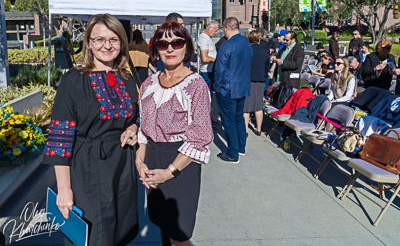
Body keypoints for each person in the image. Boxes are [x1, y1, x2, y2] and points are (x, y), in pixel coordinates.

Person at [42, 14, 139, 246]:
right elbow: (60, 138)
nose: (107, 45)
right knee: (93, 235)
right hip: (88, 168)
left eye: (114, 39)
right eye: (99, 39)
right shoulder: (73, 81)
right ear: (88, 43)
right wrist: (64, 190)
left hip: (122, 167)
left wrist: (134, 127)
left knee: (119, 231)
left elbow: (134, 115)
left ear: (122, 43)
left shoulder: (126, 77)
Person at [137, 21, 213, 246]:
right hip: (151, 156)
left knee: (180, 235)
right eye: (163, 44)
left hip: (180, 162)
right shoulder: (148, 83)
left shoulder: (196, 85)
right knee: (162, 224)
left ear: (186, 46)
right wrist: (139, 162)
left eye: (176, 42)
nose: (170, 48)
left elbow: (198, 138)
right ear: (156, 49)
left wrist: (169, 172)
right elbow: (143, 128)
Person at [213, 17, 252, 163]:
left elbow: (219, 68)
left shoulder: (227, 45)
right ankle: (241, 148)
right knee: (238, 119)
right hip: (241, 87)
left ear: (226, 28)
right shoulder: (247, 44)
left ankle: (232, 154)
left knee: (228, 122)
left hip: (227, 88)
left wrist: (216, 87)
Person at [243, 30, 270, 136]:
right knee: (258, 106)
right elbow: (267, 67)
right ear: (259, 39)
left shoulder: (246, 51)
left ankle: (245, 130)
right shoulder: (265, 52)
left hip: (247, 80)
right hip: (260, 80)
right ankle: (258, 129)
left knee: (246, 108)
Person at [197, 20, 219, 89]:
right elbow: (205, 58)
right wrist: (217, 60)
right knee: (208, 95)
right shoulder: (204, 38)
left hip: (209, 70)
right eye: (215, 31)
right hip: (207, 72)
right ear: (209, 28)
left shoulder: (207, 38)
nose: (216, 33)